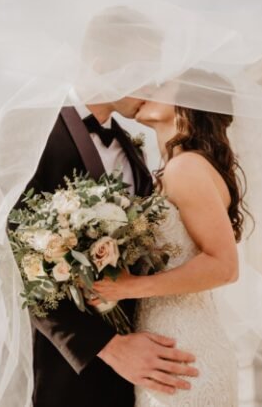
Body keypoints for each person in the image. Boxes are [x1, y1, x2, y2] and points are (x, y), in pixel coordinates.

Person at [11, 6, 199, 407]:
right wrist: (111, 348)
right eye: (144, 70)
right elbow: (14, 257)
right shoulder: (29, 128)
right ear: (103, 65)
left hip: (147, 366)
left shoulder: (135, 152)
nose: (153, 84)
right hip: (70, 371)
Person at [90, 71, 253, 406]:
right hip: (164, 346)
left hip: (187, 351)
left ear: (191, 103)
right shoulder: (170, 169)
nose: (146, 86)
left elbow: (224, 266)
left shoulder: (187, 168)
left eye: (161, 84)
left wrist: (127, 286)